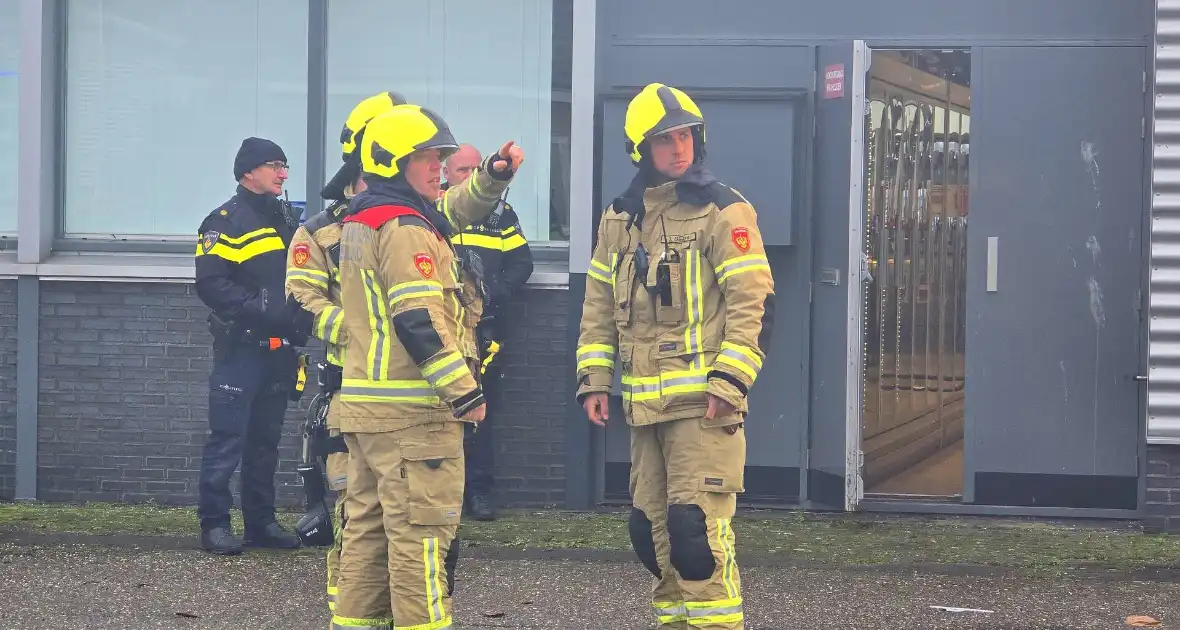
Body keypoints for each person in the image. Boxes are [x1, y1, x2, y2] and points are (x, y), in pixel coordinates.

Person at [574, 82, 775, 629]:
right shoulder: (620, 220)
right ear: (642, 149)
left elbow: (753, 306)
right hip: (644, 411)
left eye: (686, 135)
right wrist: (595, 379)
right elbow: (597, 306)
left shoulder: (723, 212)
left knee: (696, 537)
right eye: (665, 139)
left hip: (702, 410)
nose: (679, 147)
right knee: (651, 534)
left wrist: (729, 382)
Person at [332, 104, 524, 629]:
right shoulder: (405, 227)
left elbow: (452, 210)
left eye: (441, 157)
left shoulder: (368, 216)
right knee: (422, 543)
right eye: (426, 158)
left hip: (369, 412)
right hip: (415, 417)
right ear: (396, 165)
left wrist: (490, 177)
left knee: (366, 539)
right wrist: (466, 393)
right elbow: (418, 320)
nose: (438, 167)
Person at [285, 91, 406, 614]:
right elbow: (299, 300)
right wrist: (357, 329)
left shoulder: (416, 220)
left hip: (412, 392)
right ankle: (350, 610)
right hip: (347, 387)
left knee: (411, 517)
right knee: (355, 514)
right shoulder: (318, 231)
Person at [194, 136, 314, 555]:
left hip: (278, 350)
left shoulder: (286, 217)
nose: (283, 173)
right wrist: (260, 310)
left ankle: (260, 524)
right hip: (241, 349)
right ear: (248, 172)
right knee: (227, 440)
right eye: (274, 165)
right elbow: (210, 284)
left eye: (285, 166)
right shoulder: (224, 221)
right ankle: (214, 526)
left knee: (265, 442)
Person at [442, 143, 535, 521]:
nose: (467, 176)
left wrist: (493, 291)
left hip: (485, 331)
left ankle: (478, 493)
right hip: (442, 331)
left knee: (480, 414)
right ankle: (445, 494)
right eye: (460, 170)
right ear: (446, 174)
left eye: (472, 169)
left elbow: (522, 263)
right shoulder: (432, 213)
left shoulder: (500, 215)